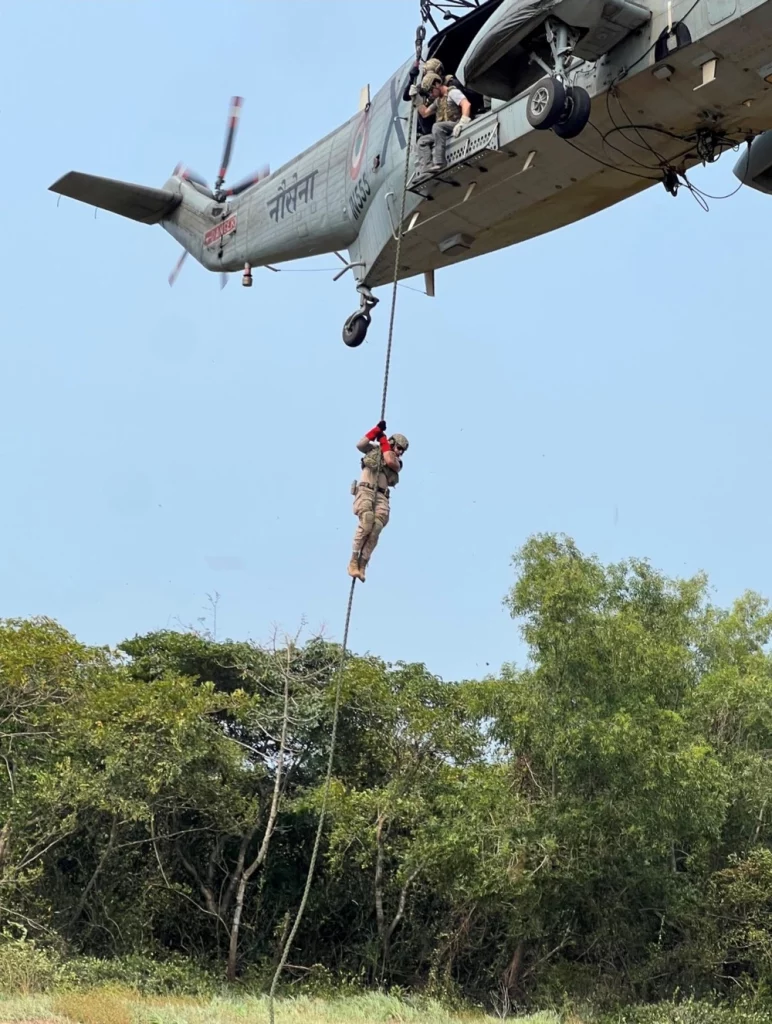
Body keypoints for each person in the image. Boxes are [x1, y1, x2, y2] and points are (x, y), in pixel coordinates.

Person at [348, 421, 409, 582]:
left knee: (377, 526)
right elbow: (360, 444)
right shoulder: (374, 450)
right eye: (399, 448)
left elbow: (389, 460)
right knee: (367, 521)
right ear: (393, 443)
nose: (400, 452)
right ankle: (354, 560)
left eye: (403, 450)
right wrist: (376, 431)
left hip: (381, 496)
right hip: (366, 490)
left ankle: (363, 562)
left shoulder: (396, 463)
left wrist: (383, 441)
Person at [416, 72, 473, 174]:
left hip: (455, 125)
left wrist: (463, 122)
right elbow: (424, 113)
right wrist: (416, 98)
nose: (431, 94)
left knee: (437, 126)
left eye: (431, 90)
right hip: (442, 132)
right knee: (422, 141)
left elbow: (466, 104)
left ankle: (440, 163)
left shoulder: (452, 93)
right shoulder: (438, 101)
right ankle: (426, 169)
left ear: (437, 84)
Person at [405, 58, 444, 178]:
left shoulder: (443, 89)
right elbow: (406, 96)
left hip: (439, 126)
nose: (431, 91)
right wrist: (412, 78)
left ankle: (429, 167)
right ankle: (426, 168)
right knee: (422, 141)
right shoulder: (425, 87)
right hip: (429, 129)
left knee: (424, 140)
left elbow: (426, 112)